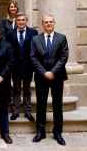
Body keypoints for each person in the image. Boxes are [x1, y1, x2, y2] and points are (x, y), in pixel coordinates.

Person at [31, 15, 68, 146]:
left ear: (54, 23)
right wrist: (44, 72)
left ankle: (58, 132)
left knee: (57, 105)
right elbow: (33, 57)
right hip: (41, 77)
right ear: (42, 24)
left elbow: (64, 57)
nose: (48, 24)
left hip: (57, 76)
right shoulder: (35, 39)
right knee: (41, 104)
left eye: (50, 22)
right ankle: (40, 131)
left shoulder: (62, 38)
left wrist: (52, 72)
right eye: (46, 22)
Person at [7, 12, 38, 121]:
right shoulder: (10, 33)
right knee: (16, 89)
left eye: (23, 20)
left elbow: (35, 50)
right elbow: (8, 50)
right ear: (16, 21)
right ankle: (15, 111)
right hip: (15, 67)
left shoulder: (33, 33)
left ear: (26, 21)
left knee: (27, 89)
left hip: (28, 66)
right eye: (19, 20)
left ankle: (27, 111)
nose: (21, 22)